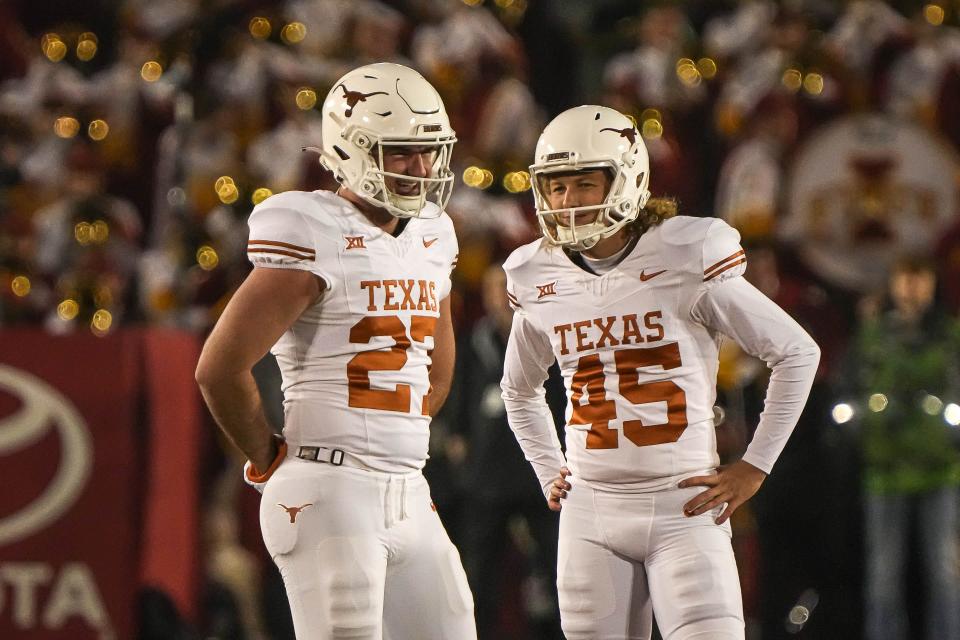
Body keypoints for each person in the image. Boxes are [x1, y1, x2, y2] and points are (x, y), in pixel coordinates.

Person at [499, 105, 820, 640]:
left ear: (627, 181)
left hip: (683, 506)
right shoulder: (538, 275)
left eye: (583, 184)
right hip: (590, 514)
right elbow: (518, 388)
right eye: (555, 187)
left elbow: (795, 352)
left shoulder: (684, 253)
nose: (566, 201)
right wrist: (545, 464)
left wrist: (755, 466)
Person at [195, 62, 476, 640]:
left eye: (428, 151)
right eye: (400, 152)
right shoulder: (311, 226)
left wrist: (390, 437)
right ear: (351, 150)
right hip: (328, 486)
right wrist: (266, 455)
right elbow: (219, 369)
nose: (420, 168)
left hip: (408, 489)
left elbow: (437, 373)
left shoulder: (432, 234)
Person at [840, 255, 960, 640]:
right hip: (885, 471)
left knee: (945, 574)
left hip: (939, 469)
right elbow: (850, 389)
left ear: (931, 284)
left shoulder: (949, 334)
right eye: (905, 278)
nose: (912, 287)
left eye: (920, 278)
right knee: (883, 577)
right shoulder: (871, 335)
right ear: (892, 284)